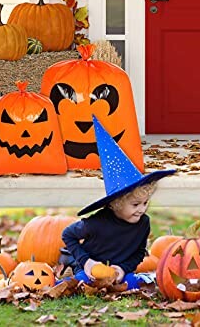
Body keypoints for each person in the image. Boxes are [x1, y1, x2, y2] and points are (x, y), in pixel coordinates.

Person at [61, 116, 175, 289]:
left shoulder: (144, 223)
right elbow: (67, 234)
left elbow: (138, 253)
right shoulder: (96, 222)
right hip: (92, 270)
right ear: (116, 203)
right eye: (135, 204)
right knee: (82, 283)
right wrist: (86, 262)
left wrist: (123, 269)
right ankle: (69, 274)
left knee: (132, 284)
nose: (141, 210)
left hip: (118, 273)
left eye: (145, 203)